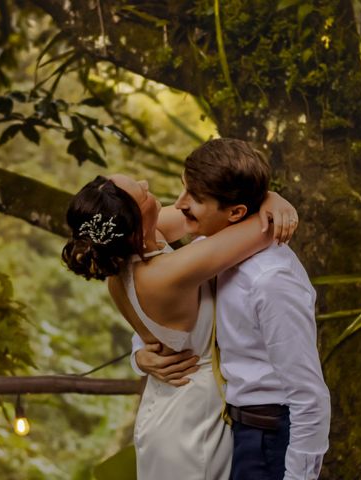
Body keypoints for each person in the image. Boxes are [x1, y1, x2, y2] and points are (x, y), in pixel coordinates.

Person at [61, 167, 297, 479]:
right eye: (141, 192)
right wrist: (272, 198)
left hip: (165, 405)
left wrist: (267, 197)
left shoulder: (128, 259)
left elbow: (202, 215)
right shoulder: (166, 274)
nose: (147, 183)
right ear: (134, 223)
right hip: (191, 419)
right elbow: (260, 229)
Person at [131, 138, 331, 480]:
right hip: (231, 427)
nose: (178, 204)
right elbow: (165, 305)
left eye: (194, 197)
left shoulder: (271, 279)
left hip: (269, 435)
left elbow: (309, 395)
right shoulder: (208, 246)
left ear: (236, 212)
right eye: (183, 189)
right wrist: (140, 352)